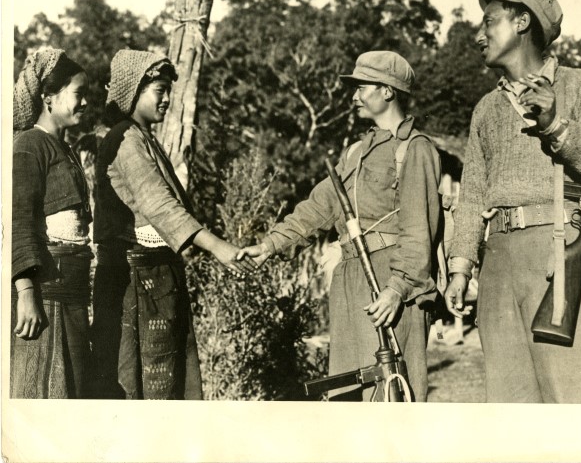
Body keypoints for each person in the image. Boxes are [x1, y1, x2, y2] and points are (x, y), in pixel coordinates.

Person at [444, 0, 581, 403]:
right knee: (512, 406)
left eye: (489, 22)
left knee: (580, 399)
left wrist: (556, 124)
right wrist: (460, 268)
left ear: (522, 21)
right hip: (497, 265)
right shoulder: (486, 109)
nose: (478, 35)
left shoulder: (579, 86)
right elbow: (472, 195)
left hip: (559, 257)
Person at [238, 51, 443, 401]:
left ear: (387, 91)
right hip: (350, 277)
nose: (354, 97)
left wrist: (397, 289)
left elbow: (418, 229)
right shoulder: (354, 153)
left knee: (393, 393)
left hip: (390, 281)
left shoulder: (415, 149)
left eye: (361, 87)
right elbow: (318, 208)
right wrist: (269, 245)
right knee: (348, 392)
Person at [90, 49, 255, 400]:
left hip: (152, 279)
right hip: (135, 282)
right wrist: (218, 247)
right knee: (138, 390)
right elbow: (160, 207)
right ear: (133, 91)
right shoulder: (125, 140)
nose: (166, 99)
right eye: (159, 90)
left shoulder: (142, 137)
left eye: (168, 91)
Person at [11, 48, 92, 398]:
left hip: (70, 290)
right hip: (45, 293)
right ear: (48, 97)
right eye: (78, 94)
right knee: (43, 390)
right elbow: (18, 220)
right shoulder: (29, 145)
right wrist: (26, 293)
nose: (85, 103)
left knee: (73, 389)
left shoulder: (66, 149)